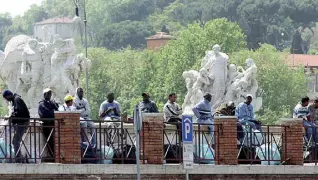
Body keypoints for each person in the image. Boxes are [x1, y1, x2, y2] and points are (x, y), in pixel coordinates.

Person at [2, 90, 30, 162]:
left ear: (8, 95)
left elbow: (19, 112)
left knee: (15, 141)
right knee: (15, 141)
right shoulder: (15, 100)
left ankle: (18, 159)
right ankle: (19, 157)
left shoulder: (17, 99)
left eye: (6, 98)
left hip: (22, 123)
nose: (7, 100)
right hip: (21, 123)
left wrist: (10, 116)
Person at [38, 88, 59, 158]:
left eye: (50, 94)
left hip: (53, 124)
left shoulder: (52, 103)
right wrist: (52, 111)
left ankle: (56, 155)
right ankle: (53, 156)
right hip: (46, 125)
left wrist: (52, 111)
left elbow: (57, 110)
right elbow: (44, 114)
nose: (50, 95)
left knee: (56, 140)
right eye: (48, 93)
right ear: (44, 95)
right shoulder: (41, 104)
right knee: (50, 141)